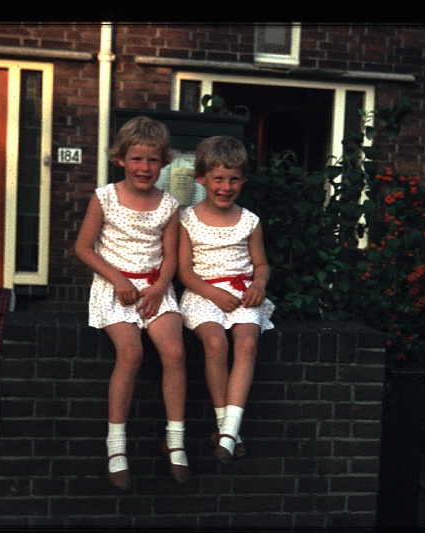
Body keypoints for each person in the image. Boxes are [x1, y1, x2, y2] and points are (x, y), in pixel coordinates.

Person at [75, 116, 190, 490]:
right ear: (121, 159)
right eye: (137, 159)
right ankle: (116, 445)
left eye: (153, 160)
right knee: (131, 354)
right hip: (115, 287)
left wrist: (159, 287)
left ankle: (174, 439)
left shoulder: (169, 203)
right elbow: (82, 247)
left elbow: (171, 257)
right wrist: (118, 278)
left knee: (174, 352)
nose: (145, 168)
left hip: (155, 288)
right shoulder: (104, 196)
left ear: (164, 161)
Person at [177, 135, 275, 467]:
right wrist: (212, 292)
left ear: (243, 181)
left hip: (243, 292)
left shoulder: (250, 221)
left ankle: (230, 431)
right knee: (216, 343)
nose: (225, 186)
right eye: (218, 178)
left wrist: (258, 284)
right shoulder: (187, 219)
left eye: (234, 179)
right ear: (201, 178)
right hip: (204, 293)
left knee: (247, 343)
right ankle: (226, 427)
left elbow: (261, 264)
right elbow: (185, 272)